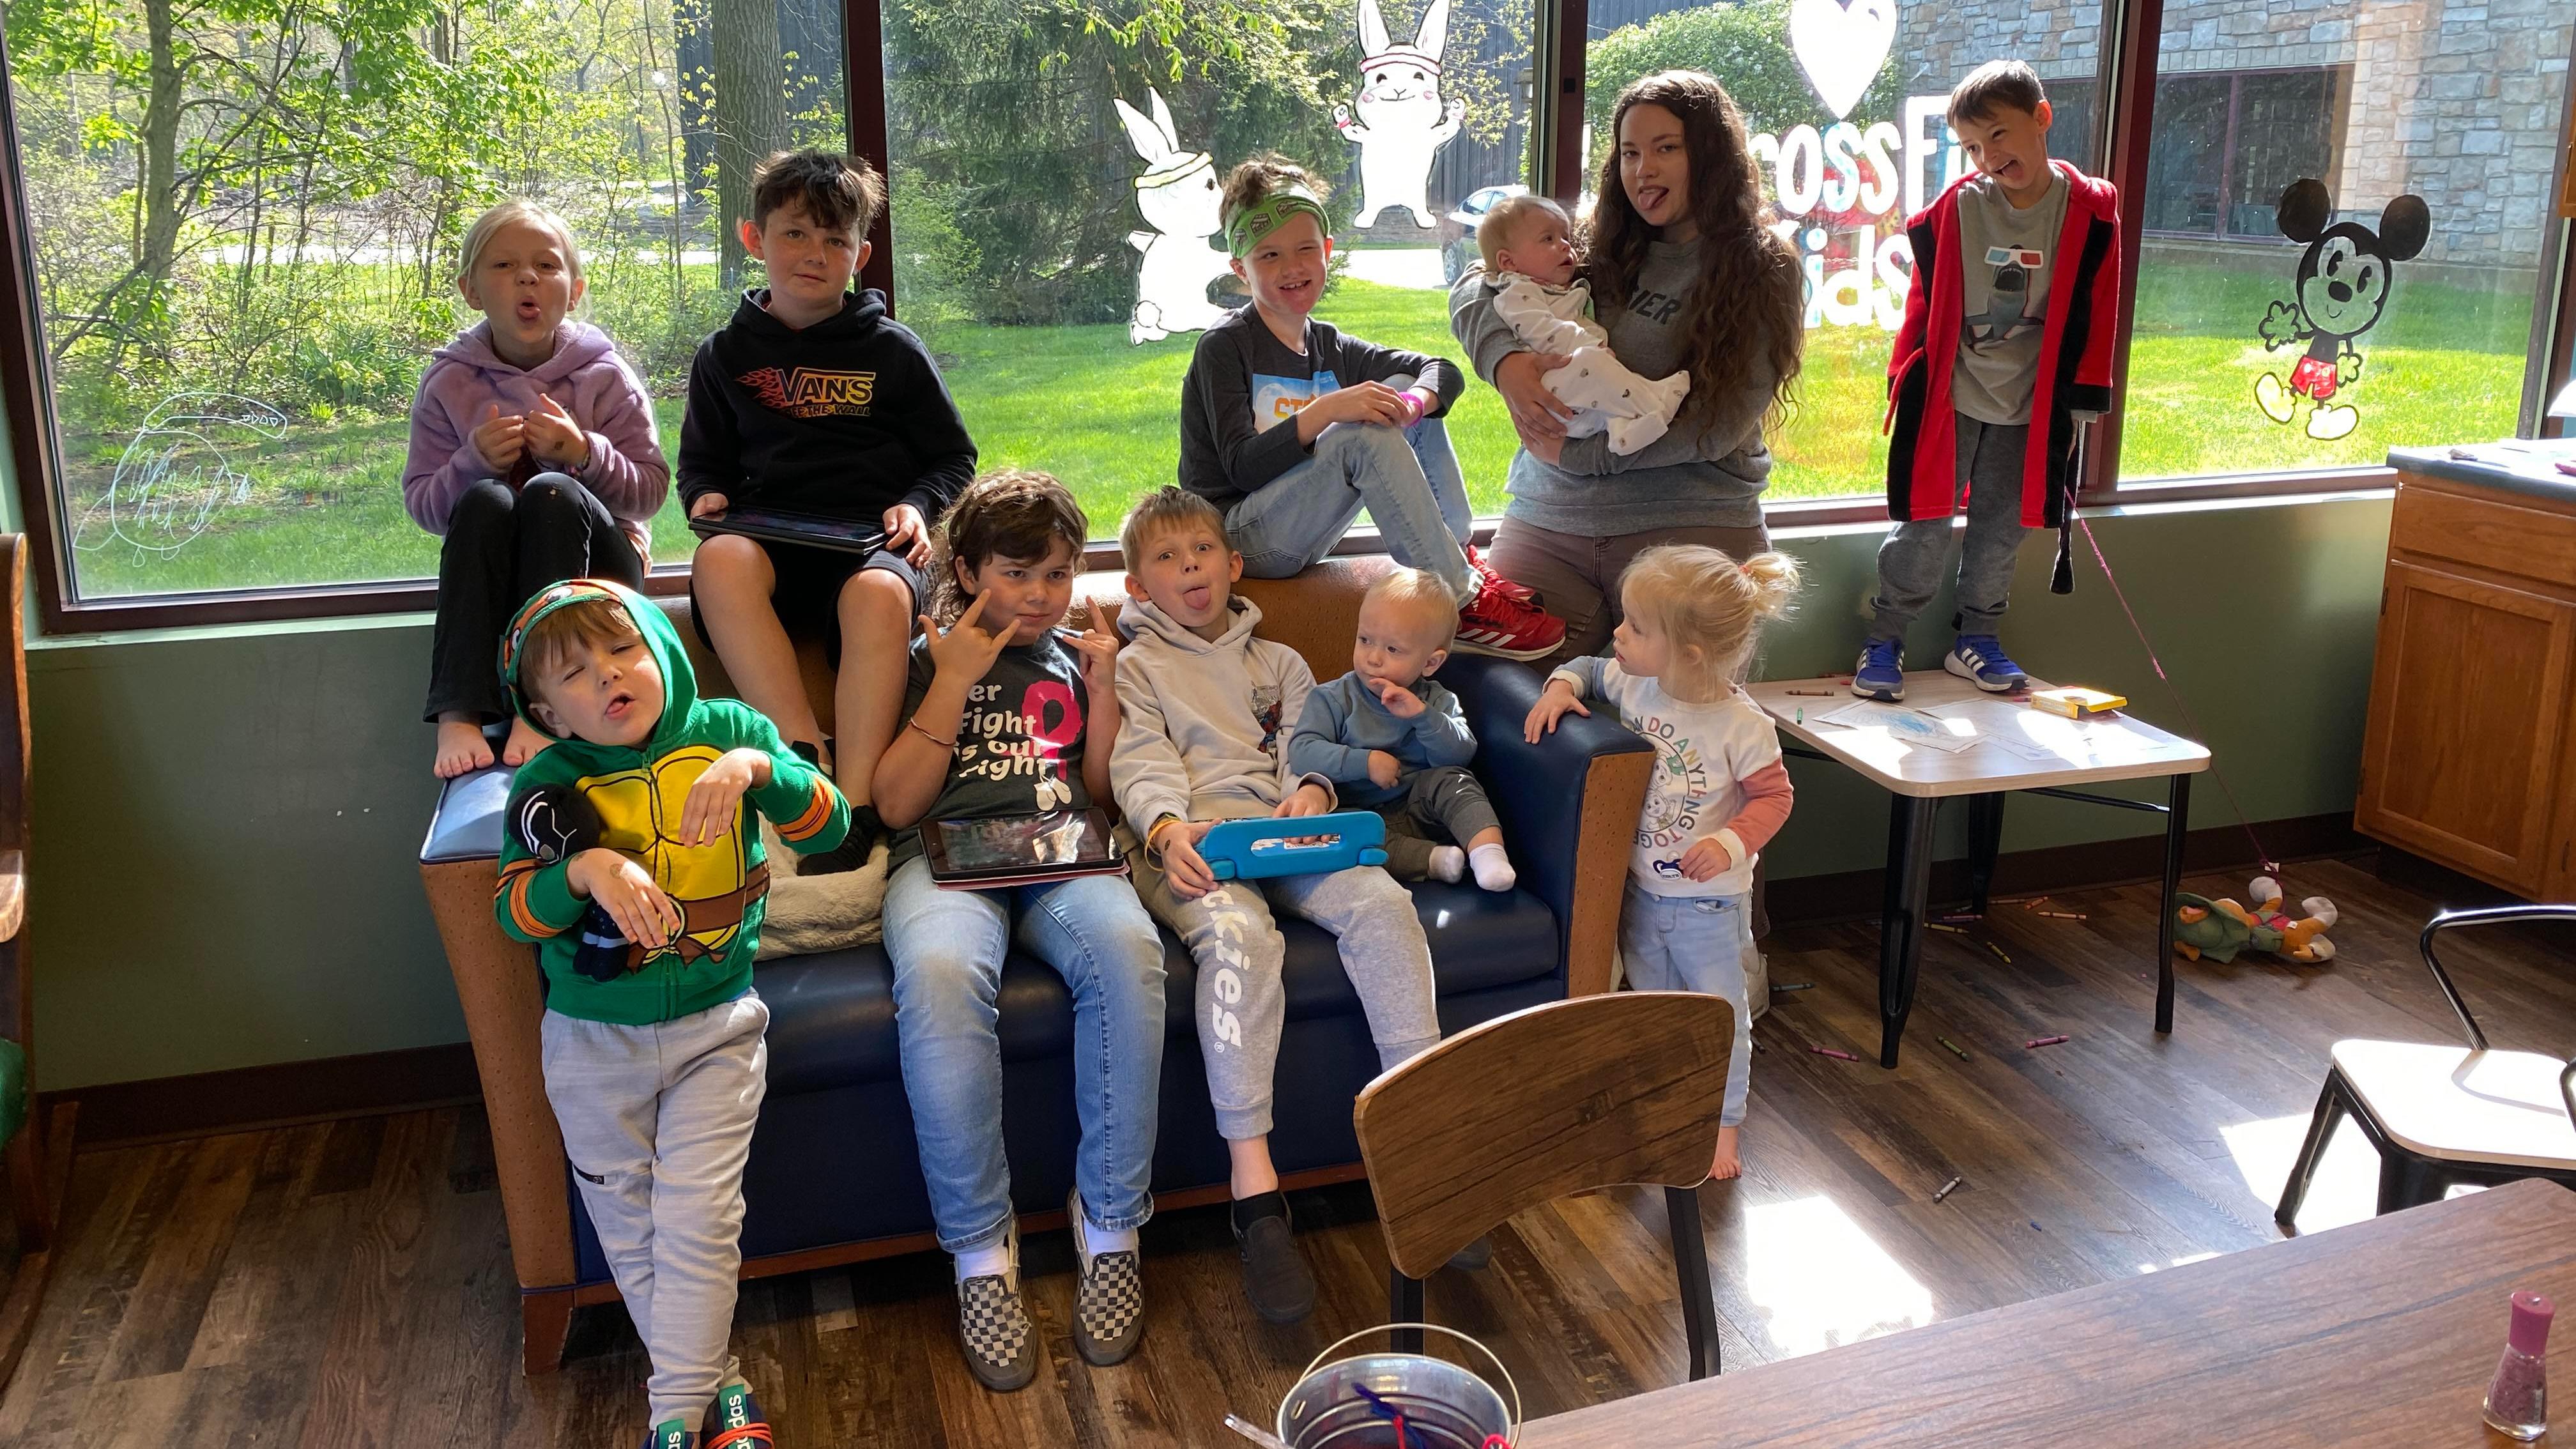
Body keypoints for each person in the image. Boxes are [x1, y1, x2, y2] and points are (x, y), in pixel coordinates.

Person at [493, 579, 851, 1449]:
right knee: (633, 1229)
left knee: (700, 1220)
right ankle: (719, 1386)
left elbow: (831, 827)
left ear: (662, 648)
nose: (608, 674)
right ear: (550, 714)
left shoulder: (728, 730)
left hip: (715, 1029)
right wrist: (583, 872)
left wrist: (758, 767)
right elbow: (513, 914)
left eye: (623, 649)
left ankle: (671, 1424)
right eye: (575, 673)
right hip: (590, 1044)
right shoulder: (546, 784)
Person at [1110, 486, 1444, 1324]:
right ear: (1139, 586)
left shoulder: (1284, 663)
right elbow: (1140, 761)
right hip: (1194, 845)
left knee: (1381, 902)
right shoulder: (1138, 666)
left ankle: (1424, 1149)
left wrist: (1314, 786)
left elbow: (1309, 747)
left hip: (1289, 837)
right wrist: (1164, 828)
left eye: (1202, 551)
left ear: (1233, 565)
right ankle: (1255, 1195)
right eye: (1166, 558)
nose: (1190, 567)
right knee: (1241, 942)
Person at [869, 471, 1166, 1392]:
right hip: (943, 855)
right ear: (966, 570)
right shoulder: (925, 653)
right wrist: (955, 678)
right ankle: (979, 1253)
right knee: (940, 972)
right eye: (1017, 573)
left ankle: (1111, 1228)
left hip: (1060, 850)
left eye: (1059, 574)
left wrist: (1105, 686)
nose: (1041, 595)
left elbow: (1099, 790)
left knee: (1131, 954)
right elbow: (893, 802)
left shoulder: (1070, 654)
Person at [682, 148, 976, 868]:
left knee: (878, 593)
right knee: (719, 559)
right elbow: (701, 465)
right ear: (754, 240)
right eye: (794, 234)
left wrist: (916, 505)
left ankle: (856, 807)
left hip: (870, 547)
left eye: (835, 240)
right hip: (770, 546)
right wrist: (704, 497)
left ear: (860, 256)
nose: (814, 254)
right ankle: (802, 768)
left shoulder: (894, 351)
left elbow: (953, 459)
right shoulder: (723, 355)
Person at [1450, 70, 1803, 670]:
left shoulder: (1761, 267)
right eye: (1631, 152)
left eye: (1666, 148)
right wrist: (1504, 362)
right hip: (1550, 521)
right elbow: (1476, 281)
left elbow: (1717, 427)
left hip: (1688, 526)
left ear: (1711, 155)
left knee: (1679, 720)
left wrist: (1583, 457)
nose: (1643, 170)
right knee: (1485, 689)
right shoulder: (1597, 244)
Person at [1178, 155, 1565, 662]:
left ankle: (1457, 557)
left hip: (1303, 527)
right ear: (1240, 270)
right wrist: (1329, 409)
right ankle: (1458, 601)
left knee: (1398, 390)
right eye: (1269, 255)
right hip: (1235, 539)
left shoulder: (1330, 345)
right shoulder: (1225, 347)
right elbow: (1242, 468)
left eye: (1305, 249)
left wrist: (1411, 405)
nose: (1292, 267)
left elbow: (1441, 371)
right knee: (1359, 432)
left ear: (1327, 251)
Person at [1523, 546, 1799, 1180]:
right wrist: (1560, 688)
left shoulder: (1742, 726)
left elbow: (1775, 798)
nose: (1618, 634)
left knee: (1720, 1019)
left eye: (1636, 627)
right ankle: (1671, 1110)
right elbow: (1586, 668)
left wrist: (1729, 843)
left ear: (1689, 653)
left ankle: (1723, 1125)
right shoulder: (1634, 681)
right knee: (1654, 1011)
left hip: (1709, 905)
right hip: (1642, 896)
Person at [1857, 59, 2122, 700]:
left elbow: (2101, 304)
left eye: (1998, 135)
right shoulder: (1958, 209)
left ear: (2042, 118)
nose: (1988, 156)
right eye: (1972, 146)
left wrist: (2087, 395)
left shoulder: (2090, 211)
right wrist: (1905, 375)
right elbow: (1924, 300)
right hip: (1952, 398)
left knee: (2003, 527)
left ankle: (1976, 637)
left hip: (2031, 405)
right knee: (1924, 521)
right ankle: (1884, 639)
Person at [406, 200, 668, 779]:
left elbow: (650, 493)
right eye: (504, 266)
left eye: (547, 266)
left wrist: (584, 455)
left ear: (574, 292)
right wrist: (471, 463)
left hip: (601, 576)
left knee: (552, 490)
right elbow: (425, 506)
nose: (527, 278)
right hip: (503, 578)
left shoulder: (605, 376)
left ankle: (543, 707)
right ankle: (459, 711)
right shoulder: (449, 381)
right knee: (485, 498)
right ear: (471, 291)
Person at [1287, 567, 1516, 889]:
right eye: (1365, 640)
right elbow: (1302, 751)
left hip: (1421, 806)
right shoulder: (1332, 698)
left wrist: (1422, 716)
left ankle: (1488, 855)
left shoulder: (1437, 700)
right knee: (1340, 835)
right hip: (1359, 811)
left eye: (1392, 649)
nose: (1373, 658)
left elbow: (1460, 754)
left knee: (1455, 781)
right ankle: (1434, 861)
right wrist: (1365, 762)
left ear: (1430, 663)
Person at [1459, 193, 1690, 456]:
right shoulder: (1517, 291)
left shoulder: (1555, 288)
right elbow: (1542, 330)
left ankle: (1622, 429)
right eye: (1548, 239)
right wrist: (1504, 363)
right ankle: (1652, 408)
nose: (1565, 246)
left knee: (1605, 379)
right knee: (1595, 363)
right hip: (1551, 392)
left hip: (1573, 396)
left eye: (1566, 238)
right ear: (1508, 262)